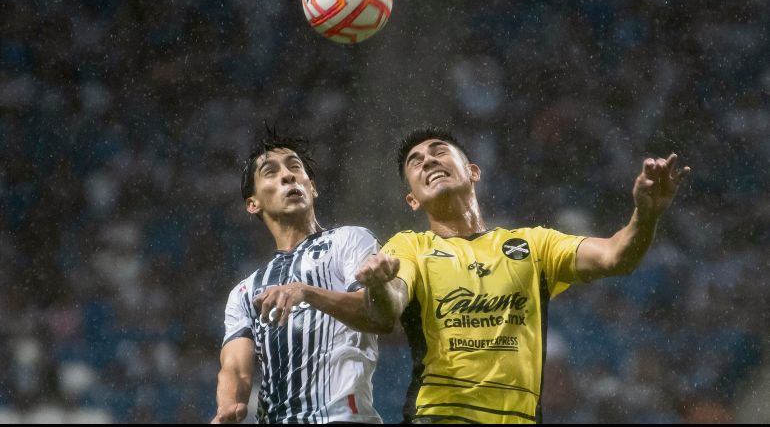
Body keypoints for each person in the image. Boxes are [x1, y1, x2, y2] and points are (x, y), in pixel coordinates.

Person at [354, 127, 691, 424]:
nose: (428, 160)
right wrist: (380, 285)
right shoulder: (410, 246)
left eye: (439, 151)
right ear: (412, 200)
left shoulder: (534, 244)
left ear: (473, 171)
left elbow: (616, 256)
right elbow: (391, 304)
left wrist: (645, 216)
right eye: (416, 161)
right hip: (440, 416)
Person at [212, 126, 387, 424]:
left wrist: (305, 291)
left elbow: (378, 315)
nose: (288, 175)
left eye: (295, 167)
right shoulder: (244, 292)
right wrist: (228, 406)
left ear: (312, 187)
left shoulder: (350, 240)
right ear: (253, 204)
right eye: (271, 172)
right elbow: (236, 368)